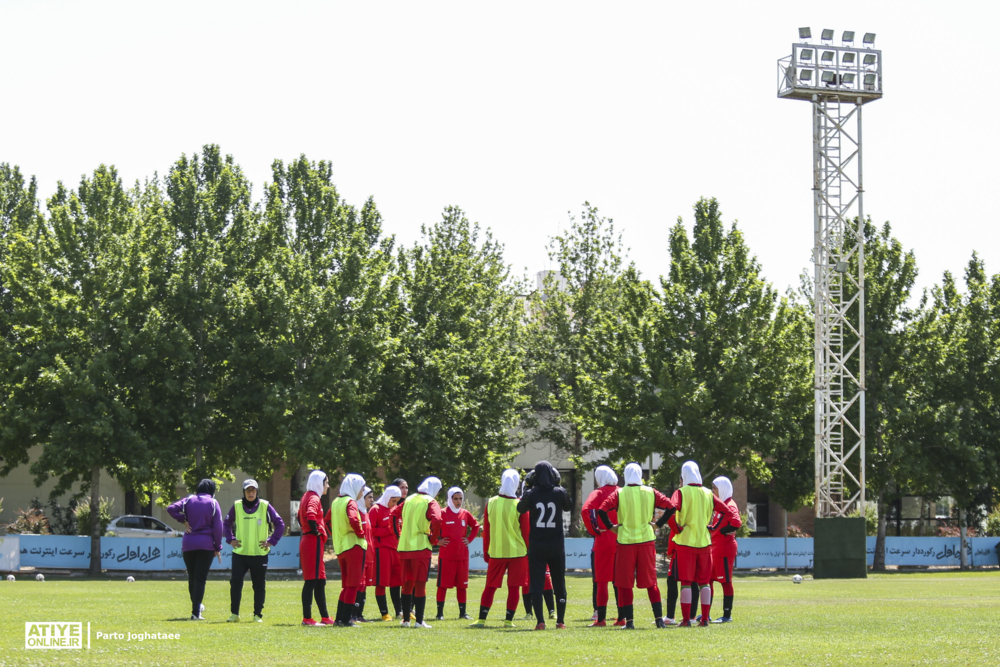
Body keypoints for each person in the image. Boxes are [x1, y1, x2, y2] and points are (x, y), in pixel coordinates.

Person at [598, 463, 673, 629]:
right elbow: (670, 507)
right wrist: (657, 524)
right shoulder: (650, 491)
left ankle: (630, 622)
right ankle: (659, 620)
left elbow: (602, 510)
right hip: (646, 541)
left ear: (625, 475)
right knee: (651, 582)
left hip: (625, 542)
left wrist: (611, 527)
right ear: (641, 475)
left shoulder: (620, 493)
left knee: (624, 583)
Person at [667, 461, 741, 627]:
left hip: (685, 543)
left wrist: (677, 529)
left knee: (686, 582)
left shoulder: (680, 492)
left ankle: (686, 620)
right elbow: (727, 511)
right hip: (705, 544)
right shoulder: (708, 493)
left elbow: (670, 510)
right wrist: (713, 527)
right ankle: (705, 619)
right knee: (704, 582)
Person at [469, 469, 530, 629]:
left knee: (490, 586)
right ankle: (509, 621)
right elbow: (526, 532)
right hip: (518, 552)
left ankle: (481, 619)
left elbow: (486, 531)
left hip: (496, 552)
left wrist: (486, 551)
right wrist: (529, 552)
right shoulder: (520, 504)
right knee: (514, 587)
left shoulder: (492, 502)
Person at [517, 461, 571, 630]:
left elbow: (520, 508)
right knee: (559, 583)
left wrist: (527, 489)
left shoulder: (531, 494)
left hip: (537, 545)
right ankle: (560, 621)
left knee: (536, 584)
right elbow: (568, 506)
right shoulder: (560, 492)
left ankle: (540, 621)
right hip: (556, 545)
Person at [222, 478, 285, 623]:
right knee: (236, 582)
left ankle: (257, 615)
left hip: (259, 553)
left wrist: (271, 541)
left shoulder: (265, 505)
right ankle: (234, 614)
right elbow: (226, 523)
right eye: (248, 490)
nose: (251, 493)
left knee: (259, 585)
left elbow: (279, 524)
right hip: (240, 553)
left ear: (257, 491)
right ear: (244, 492)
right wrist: (230, 539)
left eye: (253, 490)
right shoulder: (237, 505)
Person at [167, 479, 223, 620]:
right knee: (200, 579)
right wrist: (218, 547)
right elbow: (218, 527)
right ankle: (196, 612)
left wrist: (183, 520)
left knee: (192, 577)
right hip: (206, 545)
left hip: (189, 544)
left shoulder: (188, 500)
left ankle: (196, 607)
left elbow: (171, 508)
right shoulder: (213, 503)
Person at [393, 476, 443, 628]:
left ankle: (406, 620)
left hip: (404, 547)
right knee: (420, 585)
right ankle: (419, 621)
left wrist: (398, 534)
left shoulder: (408, 499)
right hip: (421, 547)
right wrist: (433, 539)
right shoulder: (430, 501)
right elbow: (437, 520)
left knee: (407, 584)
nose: (438, 494)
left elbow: (393, 514)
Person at [582, 465, 624, 627]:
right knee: (620, 582)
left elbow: (586, 510)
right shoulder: (621, 491)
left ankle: (601, 619)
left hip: (604, 539)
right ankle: (622, 618)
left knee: (602, 581)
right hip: (622, 539)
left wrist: (594, 529)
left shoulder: (598, 493)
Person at [328, 473, 368, 627]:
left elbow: (327, 521)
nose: (362, 492)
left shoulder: (336, 501)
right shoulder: (350, 502)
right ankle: (345, 620)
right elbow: (353, 518)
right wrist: (360, 533)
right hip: (354, 546)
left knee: (347, 585)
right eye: (362, 488)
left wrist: (336, 534)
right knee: (353, 585)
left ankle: (339, 619)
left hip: (341, 547)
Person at [435, 487, 481, 620]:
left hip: (462, 556)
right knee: (443, 585)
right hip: (447, 556)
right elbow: (431, 528)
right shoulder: (442, 513)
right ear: (450, 499)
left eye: (461, 498)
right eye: (455, 498)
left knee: (462, 586)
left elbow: (476, 526)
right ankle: (440, 613)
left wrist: (469, 539)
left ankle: (463, 613)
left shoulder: (465, 514)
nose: (458, 501)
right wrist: (437, 541)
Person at [297, 470, 334, 626]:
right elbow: (310, 516)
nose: (328, 486)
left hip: (311, 541)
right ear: (320, 483)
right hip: (312, 541)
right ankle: (307, 618)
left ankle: (325, 617)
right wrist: (316, 531)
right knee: (312, 580)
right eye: (326, 482)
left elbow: (298, 517)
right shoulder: (313, 497)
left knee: (320, 580)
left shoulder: (307, 496)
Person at [709, 476, 740, 623]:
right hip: (716, 548)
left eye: (714, 488)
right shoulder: (720, 505)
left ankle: (727, 616)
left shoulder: (729, 504)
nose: (712, 491)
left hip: (725, 548)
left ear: (722, 489)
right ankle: (705, 613)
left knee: (725, 581)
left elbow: (736, 522)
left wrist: (722, 532)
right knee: (708, 579)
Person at [370, 485, 403, 620]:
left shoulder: (396, 510)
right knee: (382, 582)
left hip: (396, 550)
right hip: (382, 550)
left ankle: (399, 611)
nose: (395, 504)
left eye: (397, 501)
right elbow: (371, 530)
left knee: (397, 581)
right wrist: (388, 530)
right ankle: (384, 613)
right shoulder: (375, 509)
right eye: (393, 500)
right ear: (387, 497)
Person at [352, 486, 376, 623]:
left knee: (365, 585)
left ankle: (360, 614)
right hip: (361, 555)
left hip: (369, 556)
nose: (372, 500)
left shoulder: (366, 513)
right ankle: (353, 614)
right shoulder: (357, 513)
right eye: (369, 497)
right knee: (359, 585)